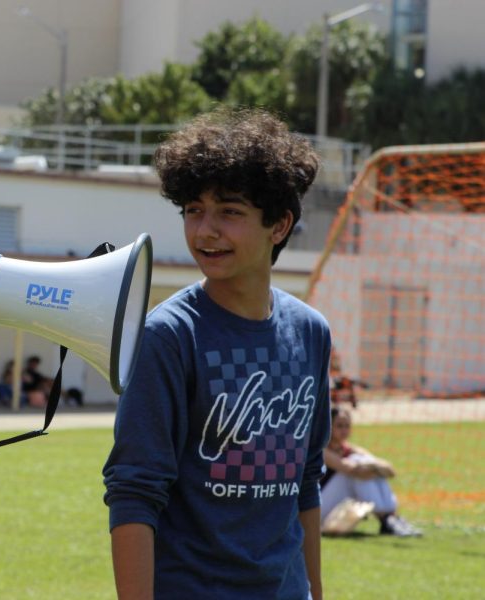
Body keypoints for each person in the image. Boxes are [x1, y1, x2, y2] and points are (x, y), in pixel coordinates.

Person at [103, 108, 331, 600]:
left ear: (279, 224)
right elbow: (134, 494)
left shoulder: (311, 332)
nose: (205, 230)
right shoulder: (168, 336)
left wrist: (315, 590)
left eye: (229, 211)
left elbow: (306, 482)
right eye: (193, 210)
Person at [321, 405, 422, 537]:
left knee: (365, 462)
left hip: (338, 506)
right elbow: (352, 470)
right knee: (359, 463)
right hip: (320, 510)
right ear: (329, 427)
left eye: (347, 426)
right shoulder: (323, 450)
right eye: (339, 426)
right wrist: (374, 467)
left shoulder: (349, 449)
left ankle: (390, 518)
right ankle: (386, 519)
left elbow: (390, 470)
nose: (344, 430)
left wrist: (374, 467)